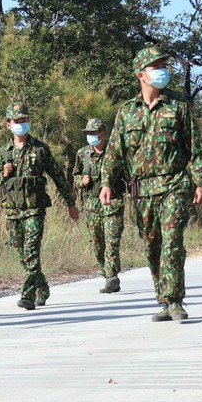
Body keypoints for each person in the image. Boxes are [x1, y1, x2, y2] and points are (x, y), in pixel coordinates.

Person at [100, 47, 202, 321]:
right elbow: (114, 151)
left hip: (174, 184)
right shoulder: (126, 112)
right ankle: (163, 298)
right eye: (155, 66)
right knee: (152, 246)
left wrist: (200, 182)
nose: (162, 70)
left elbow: (194, 147)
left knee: (172, 240)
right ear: (141, 75)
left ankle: (174, 300)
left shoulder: (178, 106)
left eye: (163, 65)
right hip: (142, 189)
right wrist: (107, 183)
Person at [0, 102, 80, 310]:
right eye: (17, 121)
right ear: (8, 125)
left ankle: (27, 294)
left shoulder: (40, 149)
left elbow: (58, 177)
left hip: (35, 210)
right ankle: (42, 287)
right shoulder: (3, 152)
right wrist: (3, 174)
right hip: (13, 211)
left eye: (24, 120)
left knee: (31, 251)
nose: (21, 124)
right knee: (22, 253)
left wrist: (71, 203)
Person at [73, 118, 126, 294]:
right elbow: (75, 174)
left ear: (103, 134)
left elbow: (128, 173)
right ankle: (106, 273)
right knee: (98, 243)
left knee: (112, 241)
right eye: (88, 133)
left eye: (93, 133)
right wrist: (81, 180)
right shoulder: (83, 154)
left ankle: (112, 277)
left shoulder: (115, 152)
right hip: (92, 204)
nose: (90, 136)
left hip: (113, 203)